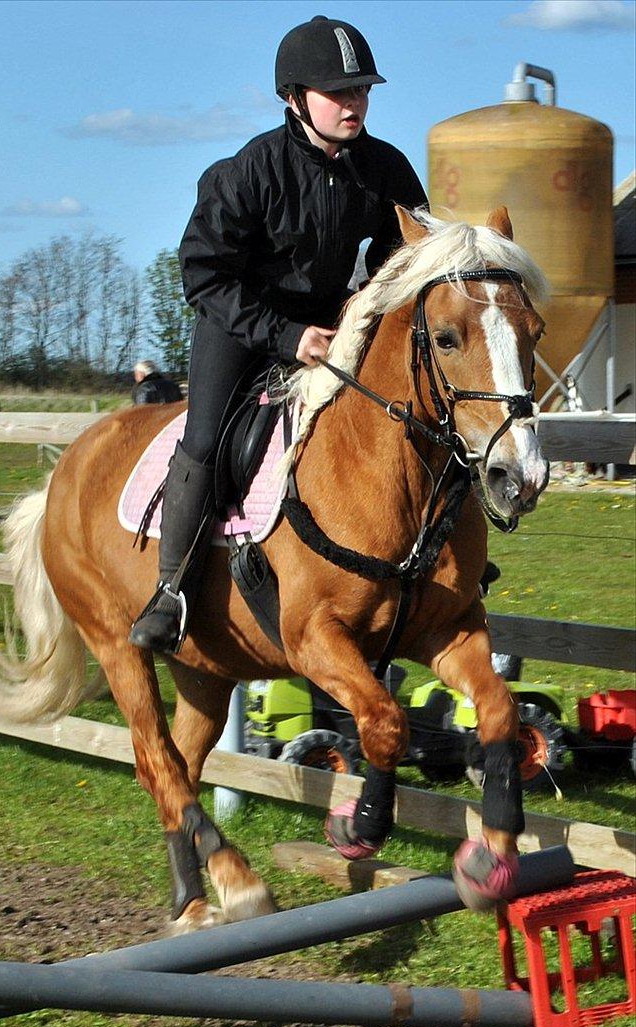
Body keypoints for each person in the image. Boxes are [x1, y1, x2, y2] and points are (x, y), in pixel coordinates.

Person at [129, 14, 426, 653]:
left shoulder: (386, 168)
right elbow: (205, 274)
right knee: (205, 438)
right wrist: (287, 336)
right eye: (339, 92)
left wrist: (364, 304)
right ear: (294, 98)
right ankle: (171, 592)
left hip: (335, 324)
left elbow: (410, 255)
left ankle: (437, 559)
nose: (355, 104)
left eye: (363, 90)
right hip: (240, 323)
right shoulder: (247, 171)